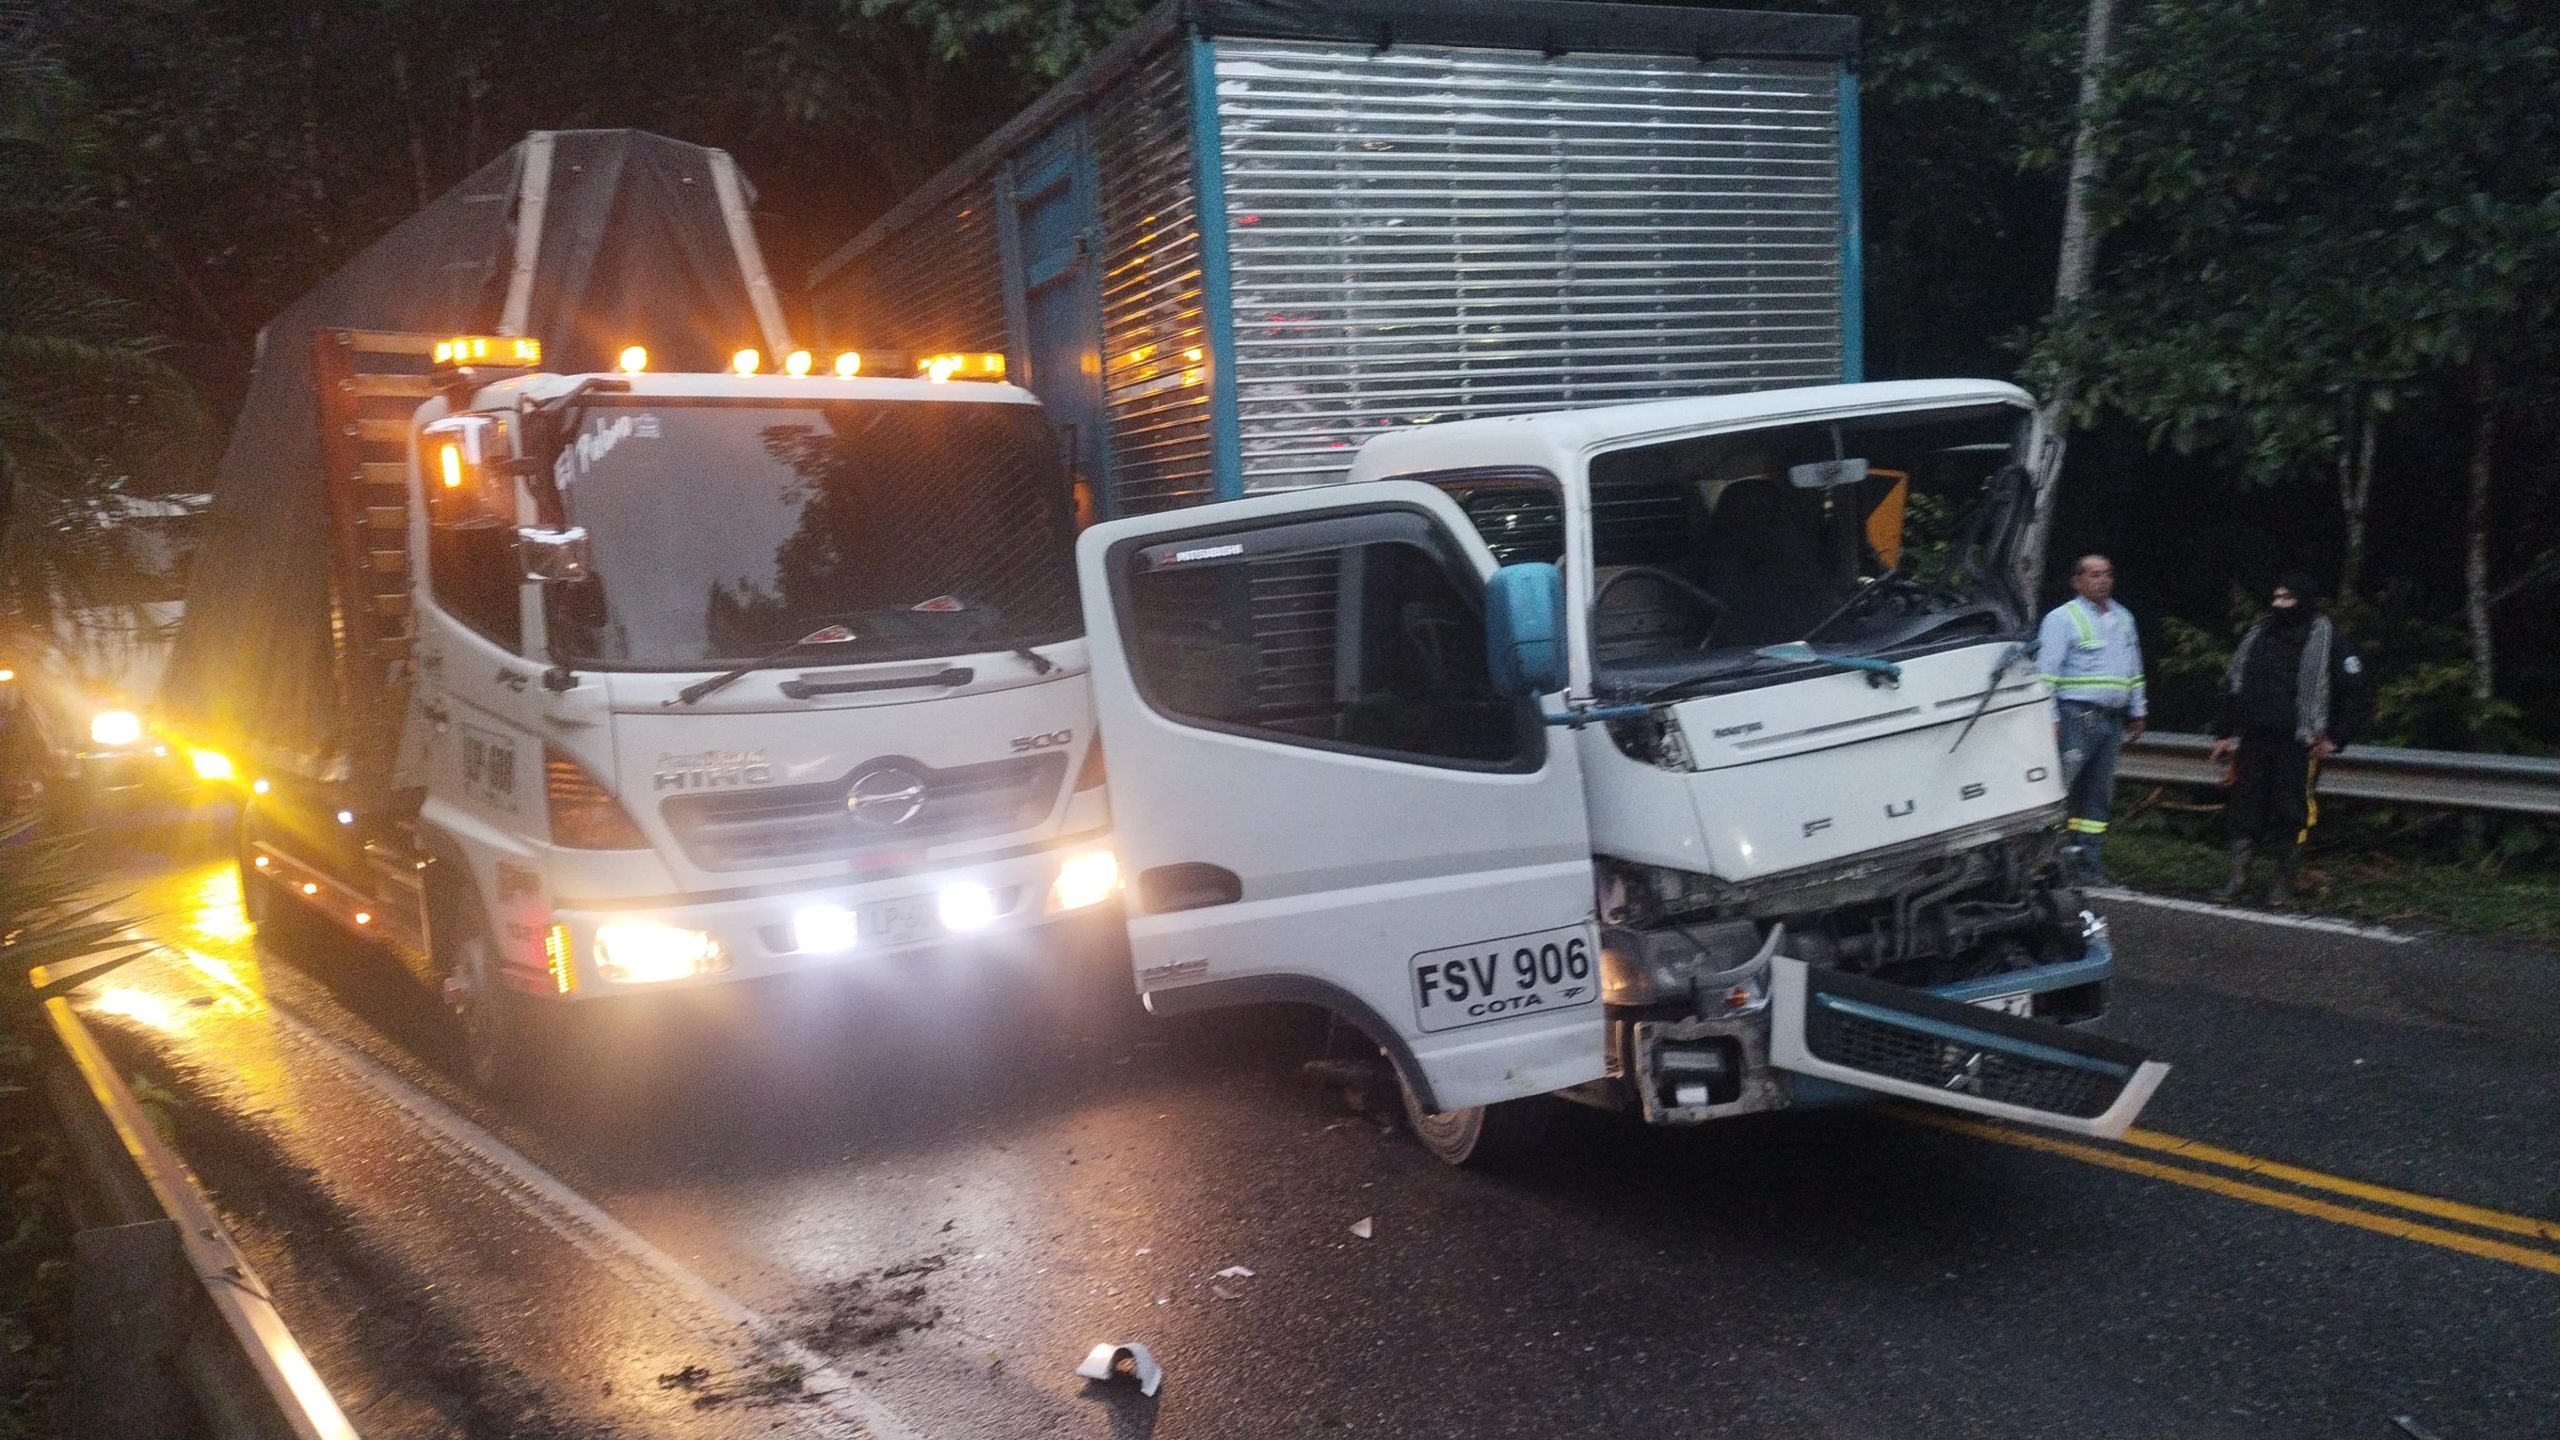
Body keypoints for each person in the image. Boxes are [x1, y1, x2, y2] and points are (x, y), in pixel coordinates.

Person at [2210, 573, 2367, 905]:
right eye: (2276, 597)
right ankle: (2238, 879)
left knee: (2291, 812)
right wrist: (2224, 732)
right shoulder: (2258, 635)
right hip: (2254, 739)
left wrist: (2336, 738)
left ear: (2304, 601)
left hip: (2298, 744)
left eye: (2287, 598)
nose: (2278, 604)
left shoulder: (2328, 639)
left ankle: (2282, 885)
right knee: (2244, 809)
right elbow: (2234, 686)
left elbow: (2353, 692)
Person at [2037, 554, 2146, 884]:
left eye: (2108, 574)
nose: (2103, 580)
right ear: (2077, 581)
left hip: (2111, 720)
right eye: (2095, 575)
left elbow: (2134, 668)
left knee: (2097, 798)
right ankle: (2043, 865)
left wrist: (2138, 709)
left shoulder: (2123, 617)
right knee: (2059, 793)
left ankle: (2086, 867)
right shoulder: (2062, 619)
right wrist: (2050, 716)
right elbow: (2046, 674)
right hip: (2075, 717)